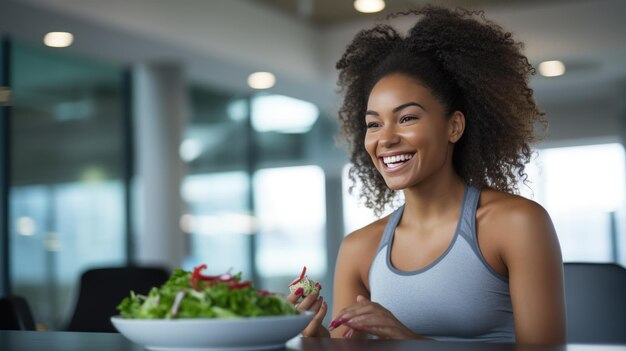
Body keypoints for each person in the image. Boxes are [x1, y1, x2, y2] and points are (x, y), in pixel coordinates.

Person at [287, 5, 566, 344]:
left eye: (407, 118)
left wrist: (410, 342)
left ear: (454, 126)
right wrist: (314, 339)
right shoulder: (359, 249)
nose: (385, 138)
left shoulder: (516, 223)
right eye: (374, 124)